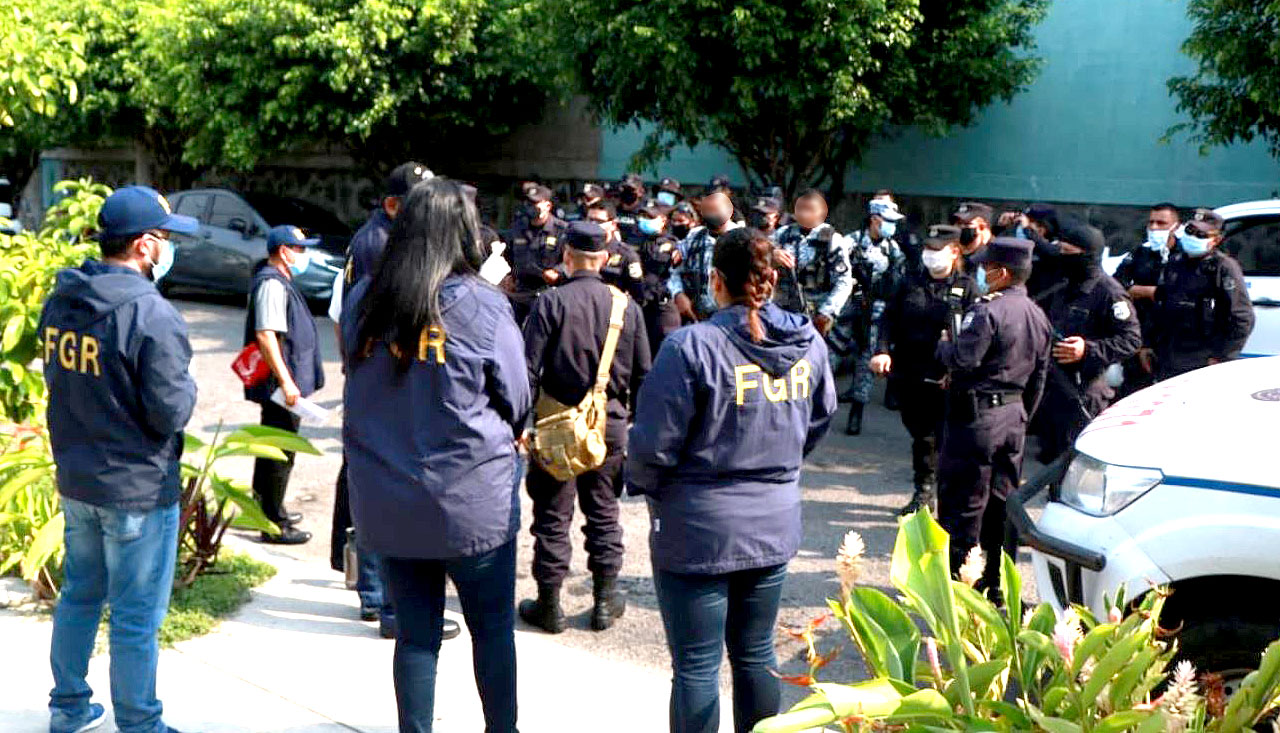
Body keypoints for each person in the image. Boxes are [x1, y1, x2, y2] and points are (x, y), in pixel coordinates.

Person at [627, 227, 837, 733]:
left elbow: (653, 445)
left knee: (697, 665)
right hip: (771, 520)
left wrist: (650, 487)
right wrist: (778, 464)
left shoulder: (689, 346)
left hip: (698, 525)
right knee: (756, 653)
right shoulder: (809, 342)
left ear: (716, 280)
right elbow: (818, 418)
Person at [344, 178, 530, 733]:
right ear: (462, 233)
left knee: (416, 634)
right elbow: (516, 398)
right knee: (492, 628)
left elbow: (358, 378)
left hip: (390, 497)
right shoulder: (481, 304)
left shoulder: (365, 301)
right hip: (472, 500)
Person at [40, 186, 198, 733]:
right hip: (136, 489)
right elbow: (171, 411)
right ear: (145, 246)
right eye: (167, 238)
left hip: (78, 479)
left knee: (80, 595)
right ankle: (140, 723)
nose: (170, 248)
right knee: (135, 617)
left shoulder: (63, 298)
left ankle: (69, 707)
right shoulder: (152, 315)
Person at [519, 221, 651, 634]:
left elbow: (527, 370)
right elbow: (645, 375)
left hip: (557, 423)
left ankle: (551, 604)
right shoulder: (626, 306)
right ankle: (603, 601)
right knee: (604, 513)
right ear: (607, 258)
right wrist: (634, 427)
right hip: (609, 424)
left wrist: (522, 423)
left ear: (567, 257)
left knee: (552, 516)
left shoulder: (551, 302)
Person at [936, 238, 1052, 593]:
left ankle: (960, 587)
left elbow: (963, 359)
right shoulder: (1037, 314)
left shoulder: (988, 312)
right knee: (1002, 502)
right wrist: (1020, 415)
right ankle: (998, 583)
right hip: (1013, 417)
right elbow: (1040, 377)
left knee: (963, 504)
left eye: (986, 269)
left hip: (977, 419)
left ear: (1001, 273)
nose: (982, 275)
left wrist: (944, 346)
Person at [871, 225, 980, 516]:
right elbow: (888, 320)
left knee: (944, 437)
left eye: (937, 251)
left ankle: (941, 494)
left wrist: (957, 370)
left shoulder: (967, 287)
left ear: (954, 252)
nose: (930, 257)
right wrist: (881, 350)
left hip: (946, 375)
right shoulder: (909, 282)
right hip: (909, 371)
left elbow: (974, 336)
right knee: (921, 435)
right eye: (927, 251)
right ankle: (923, 492)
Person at [1032, 221, 1142, 463]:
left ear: (1088, 256)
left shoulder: (1108, 292)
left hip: (1083, 392)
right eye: (1059, 250)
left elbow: (1131, 339)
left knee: (1075, 465)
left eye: (1068, 252)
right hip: (1053, 389)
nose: (1061, 256)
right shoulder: (1062, 285)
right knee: (1050, 461)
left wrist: (1087, 349)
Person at [244, 225, 325, 545]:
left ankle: (265, 508)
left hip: (284, 386)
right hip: (282, 388)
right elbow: (266, 335)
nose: (303, 255)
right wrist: (288, 383)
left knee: (272, 449)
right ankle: (273, 524)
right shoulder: (271, 284)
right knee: (279, 453)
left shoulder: (279, 280)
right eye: (299, 248)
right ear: (283, 251)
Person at [1149, 208, 1254, 380]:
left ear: (1216, 240)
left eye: (1201, 235)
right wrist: (1148, 344)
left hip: (1203, 358)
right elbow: (1160, 304)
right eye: (1190, 231)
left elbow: (1242, 318)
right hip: (1169, 356)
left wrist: (1222, 356)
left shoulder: (1223, 267)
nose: (1193, 237)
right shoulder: (1176, 262)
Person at [835, 197, 906, 435]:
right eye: (887, 221)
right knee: (830, 355)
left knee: (866, 359)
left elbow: (898, 280)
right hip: (847, 309)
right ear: (875, 220)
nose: (891, 226)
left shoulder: (892, 248)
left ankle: (857, 411)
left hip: (874, 311)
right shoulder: (849, 242)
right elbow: (834, 274)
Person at [771, 189, 855, 338]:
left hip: (817, 312)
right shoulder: (782, 235)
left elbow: (844, 281)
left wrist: (826, 313)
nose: (804, 214)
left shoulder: (833, 240)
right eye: (800, 209)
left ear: (822, 212)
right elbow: (758, 261)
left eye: (810, 209)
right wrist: (772, 256)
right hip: (783, 310)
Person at [1114, 203, 1178, 395]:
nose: (1155, 228)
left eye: (1161, 223)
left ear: (1175, 226)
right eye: (1151, 223)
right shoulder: (1141, 253)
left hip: (1173, 339)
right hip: (1141, 334)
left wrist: (1155, 292)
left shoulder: (1184, 256)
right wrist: (1141, 291)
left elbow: (1181, 293)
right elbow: (1117, 285)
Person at [349, 161, 434, 284]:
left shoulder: (386, 234)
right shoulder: (380, 246)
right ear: (392, 206)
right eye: (422, 203)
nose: (432, 210)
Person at [669, 190, 744, 323]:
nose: (711, 214)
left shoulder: (742, 239)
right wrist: (678, 294)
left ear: (729, 211)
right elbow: (675, 272)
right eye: (707, 210)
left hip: (733, 318)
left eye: (716, 210)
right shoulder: (694, 237)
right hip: (696, 316)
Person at [503, 183, 568, 324]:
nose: (530, 206)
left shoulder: (561, 230)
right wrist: (508, 276)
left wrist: (558, 271)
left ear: (548, 206)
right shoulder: (517, 227)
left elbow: (572, 259)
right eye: (528, 202)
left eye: (535, 203)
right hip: (520, 292)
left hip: (548, 292)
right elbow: (507, 255)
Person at [635, 201, 684, 352]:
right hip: (642, 307)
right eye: (642, 216)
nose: (643, 221)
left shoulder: (671, 244)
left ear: (663, 220)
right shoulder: (640, 241)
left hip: (662, 308)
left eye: (649, 217)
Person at [587, 200, 646, 303]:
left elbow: (638, 295)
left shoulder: (627, 255)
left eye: (599, 221)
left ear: (613, 224)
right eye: (590, 220)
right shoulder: (579, 249)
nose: (593, 225)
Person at [951, 201, 995, 275]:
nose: (961, 227)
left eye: (966, 224)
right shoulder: (951, 254)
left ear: (982, 227)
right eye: (958, 223)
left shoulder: (994, 254)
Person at [615, 173, 649, 246]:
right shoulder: (612, 211)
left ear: (640, 192)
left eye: (630, 189)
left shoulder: (647, 214)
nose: (626, 192)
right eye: (623, 189)